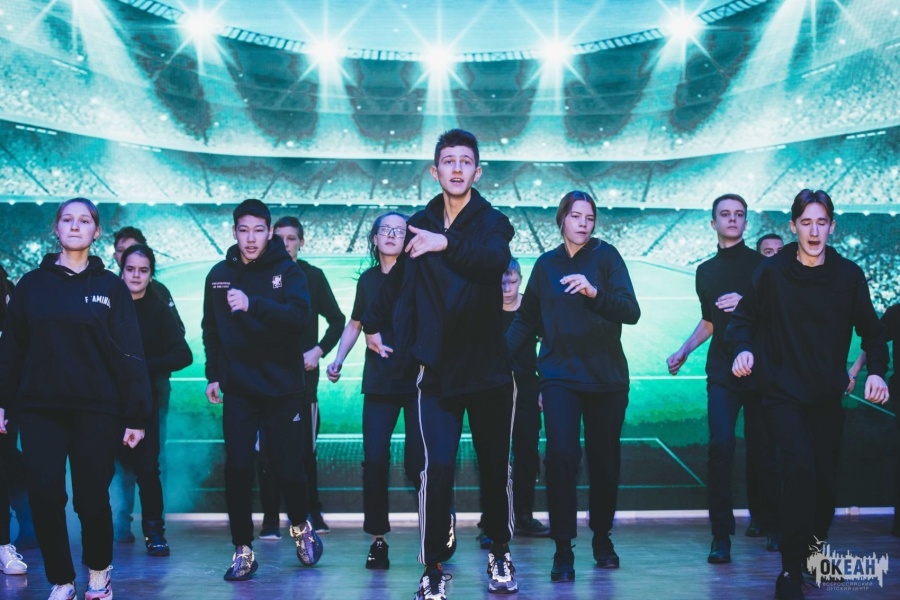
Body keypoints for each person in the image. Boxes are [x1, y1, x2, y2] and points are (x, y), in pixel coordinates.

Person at [362, 129, 517, 599]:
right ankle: (432, 567)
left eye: (465, 161)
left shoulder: (494, 222)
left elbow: (493, 261)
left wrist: (443, 242)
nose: (456, 168)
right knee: (437, 470)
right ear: (435, 170)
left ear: (477, 171)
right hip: (437, 373)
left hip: (488, 370)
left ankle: (499, 552)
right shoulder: (418, 223)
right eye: (448, 160)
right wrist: (374, 326)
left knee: (495, 468)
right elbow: (397, 286)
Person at [726, 189, 889, 600]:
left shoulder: (848, 276)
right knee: (799, 470)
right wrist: (744, 349)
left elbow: (872, 332)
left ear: (832, 226)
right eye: (806, 223)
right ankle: (790, 569)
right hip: (782, 393)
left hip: (826, 396)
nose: (814, 231)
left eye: (821, 223)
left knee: (825, 484)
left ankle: (813, 555)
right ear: (793, 226)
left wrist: (877, 372)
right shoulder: (772, 272)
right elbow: (742, 320)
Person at [0, 197, 151, 600]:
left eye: (84, 220)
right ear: (56, 228)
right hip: (40, 409)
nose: (74, 225)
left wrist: (136, 416)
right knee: (45, 495)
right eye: (67, 219)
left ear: (96, 232)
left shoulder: (111, 287)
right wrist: (3, 402)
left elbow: (130, 353)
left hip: (96, 409)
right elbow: (12, 350)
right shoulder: (31, 285)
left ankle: (99, 573)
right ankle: (62, 581)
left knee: (91, 499)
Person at [507, 190, 640, 582]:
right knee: (561, 458)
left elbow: (631, 311)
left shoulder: (607, 257)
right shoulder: (546, 265)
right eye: (576, 216)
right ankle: (563, 548)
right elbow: (526, 320)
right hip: (559, 377)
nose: (584, 223)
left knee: (604, 463)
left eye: (590, 217)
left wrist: (594, 292)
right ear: (562, 218)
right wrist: (497, 356)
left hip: (606, 378)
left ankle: (601, 538)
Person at [201, 199, 322, 582]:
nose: (251, 239)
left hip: (282, 387)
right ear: (234, 232)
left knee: (288, 468)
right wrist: (214, 374)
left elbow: (299, 318)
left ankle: (300, 524)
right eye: (243, 230)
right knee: (237, 468)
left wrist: (253, 304)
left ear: (269, 232)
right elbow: (211, 328)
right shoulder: (219, 275)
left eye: (258, 230)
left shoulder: (288, 271)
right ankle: (242, 548)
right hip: (239, 387)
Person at [666, 193, 780, 563]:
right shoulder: (705, 271)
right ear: (713, 223)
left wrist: (746, 302)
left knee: (765, 452)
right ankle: (721, 536)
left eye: (739, 214)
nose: (733, 219)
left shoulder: (764, 267)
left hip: (760, 372)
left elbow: (780, 315)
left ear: (746, 222)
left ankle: (771, 524)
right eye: (725, 214)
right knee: (720, 448)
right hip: (721, 373)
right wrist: (684, 350)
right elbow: (711, 321)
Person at [326, 211, 424, 569]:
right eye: (386, 230)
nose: (392, 235)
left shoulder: (419, 274)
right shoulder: (368, 281)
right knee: (375, 461)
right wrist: (338, 359)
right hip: (380, 383)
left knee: (420, 463)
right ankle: (378, 540)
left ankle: (438, 525)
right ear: (374, 238)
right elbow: (356, 322)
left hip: (417, 382)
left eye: (400, 231)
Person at [257, 216, 345, 539]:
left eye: (291, 238)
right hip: (264, 381)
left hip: (302, 384)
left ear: (301, 242)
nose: (285, 244)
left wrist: (318, 351)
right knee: (266, 454)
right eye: (278, 238)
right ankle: (270, 518)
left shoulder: (313, 277)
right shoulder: (259, 274)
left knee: (305, 452)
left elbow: (337, 320)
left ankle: (311, 512)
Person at [117, 244, 192, 557]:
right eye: (130, 269)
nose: (136, 275)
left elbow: (183, 354)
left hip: (145, 400)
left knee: (147, 468)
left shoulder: (158, 309)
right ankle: (107, 528)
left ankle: (154, 532)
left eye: (143, 270)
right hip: (107, 402)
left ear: (151, 275)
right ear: (121, 270)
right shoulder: (107, 304)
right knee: (103, 468)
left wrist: (143, 367)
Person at [0, 263, 30, 577]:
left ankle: (7, 541)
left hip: (6, 399)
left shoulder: (6, 290)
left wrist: (4, 402)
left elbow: (12, 354)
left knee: (5, 463)